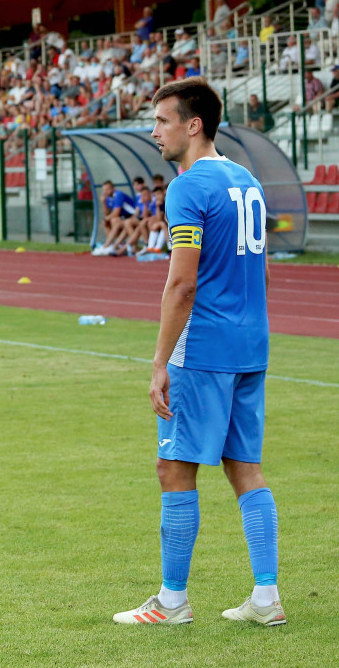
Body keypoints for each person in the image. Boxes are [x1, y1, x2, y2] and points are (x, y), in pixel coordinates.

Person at [114, 77, 282, 627]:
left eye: (162, 120)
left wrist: (160, 361)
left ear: (194, 125)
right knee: (245, 468)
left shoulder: (187, 188)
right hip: (250, 344)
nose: (153, 130)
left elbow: (181, 285)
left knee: (173, 467)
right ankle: (265, 597)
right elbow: (256, 269)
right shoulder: (248, 182)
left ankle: (172, 601)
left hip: (204, 348)